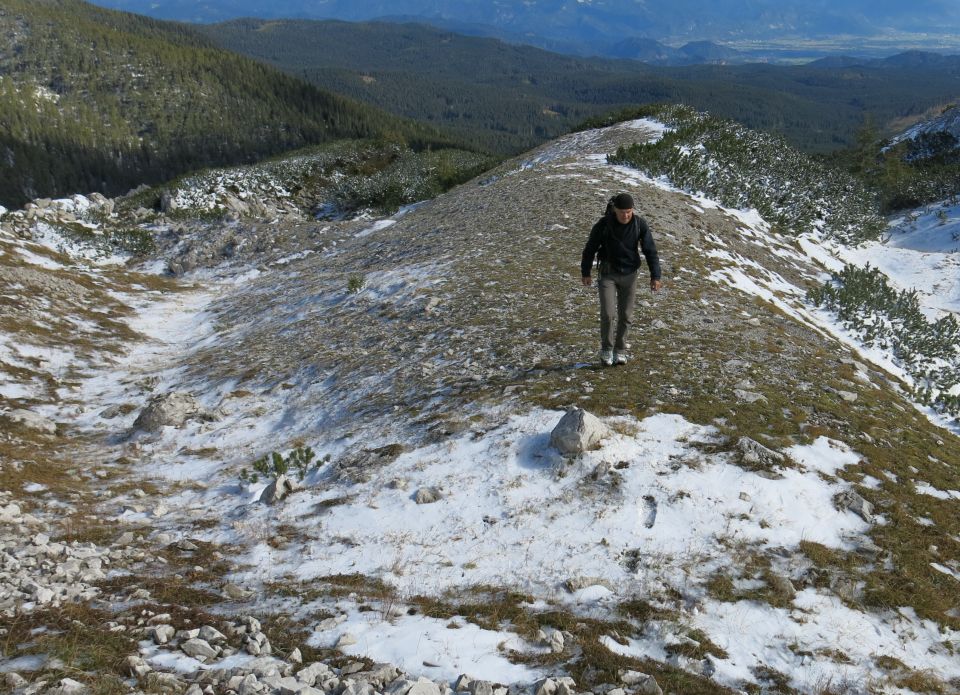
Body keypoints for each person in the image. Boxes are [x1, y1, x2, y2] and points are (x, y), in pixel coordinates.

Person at [580, 192, 662, 366]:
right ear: (615, 210)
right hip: (607, 274)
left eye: (629, 211)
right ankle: (606, 350)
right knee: (608, 314)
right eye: (622, 211)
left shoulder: (640, 224)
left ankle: (620, 350)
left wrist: (655, 276)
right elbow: (590, 249)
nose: (626, 215)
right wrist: (585, 272)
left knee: (625, 315)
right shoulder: (603, 225)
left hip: (630, 275)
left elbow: (650, 251)